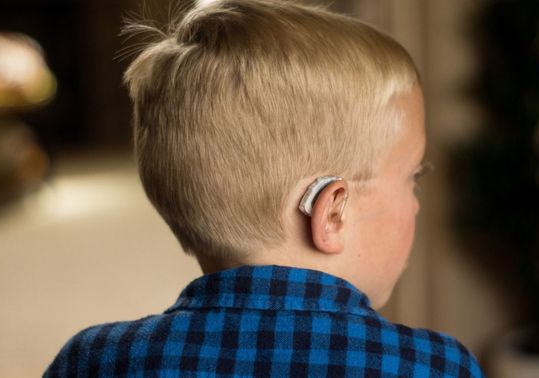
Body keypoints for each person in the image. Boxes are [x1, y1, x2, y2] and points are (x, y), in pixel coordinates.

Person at [45, 0, 484, 376]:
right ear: (332, 212)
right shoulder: (436, 366)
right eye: (412, 178)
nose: (417, 204)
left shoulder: (93, 361)